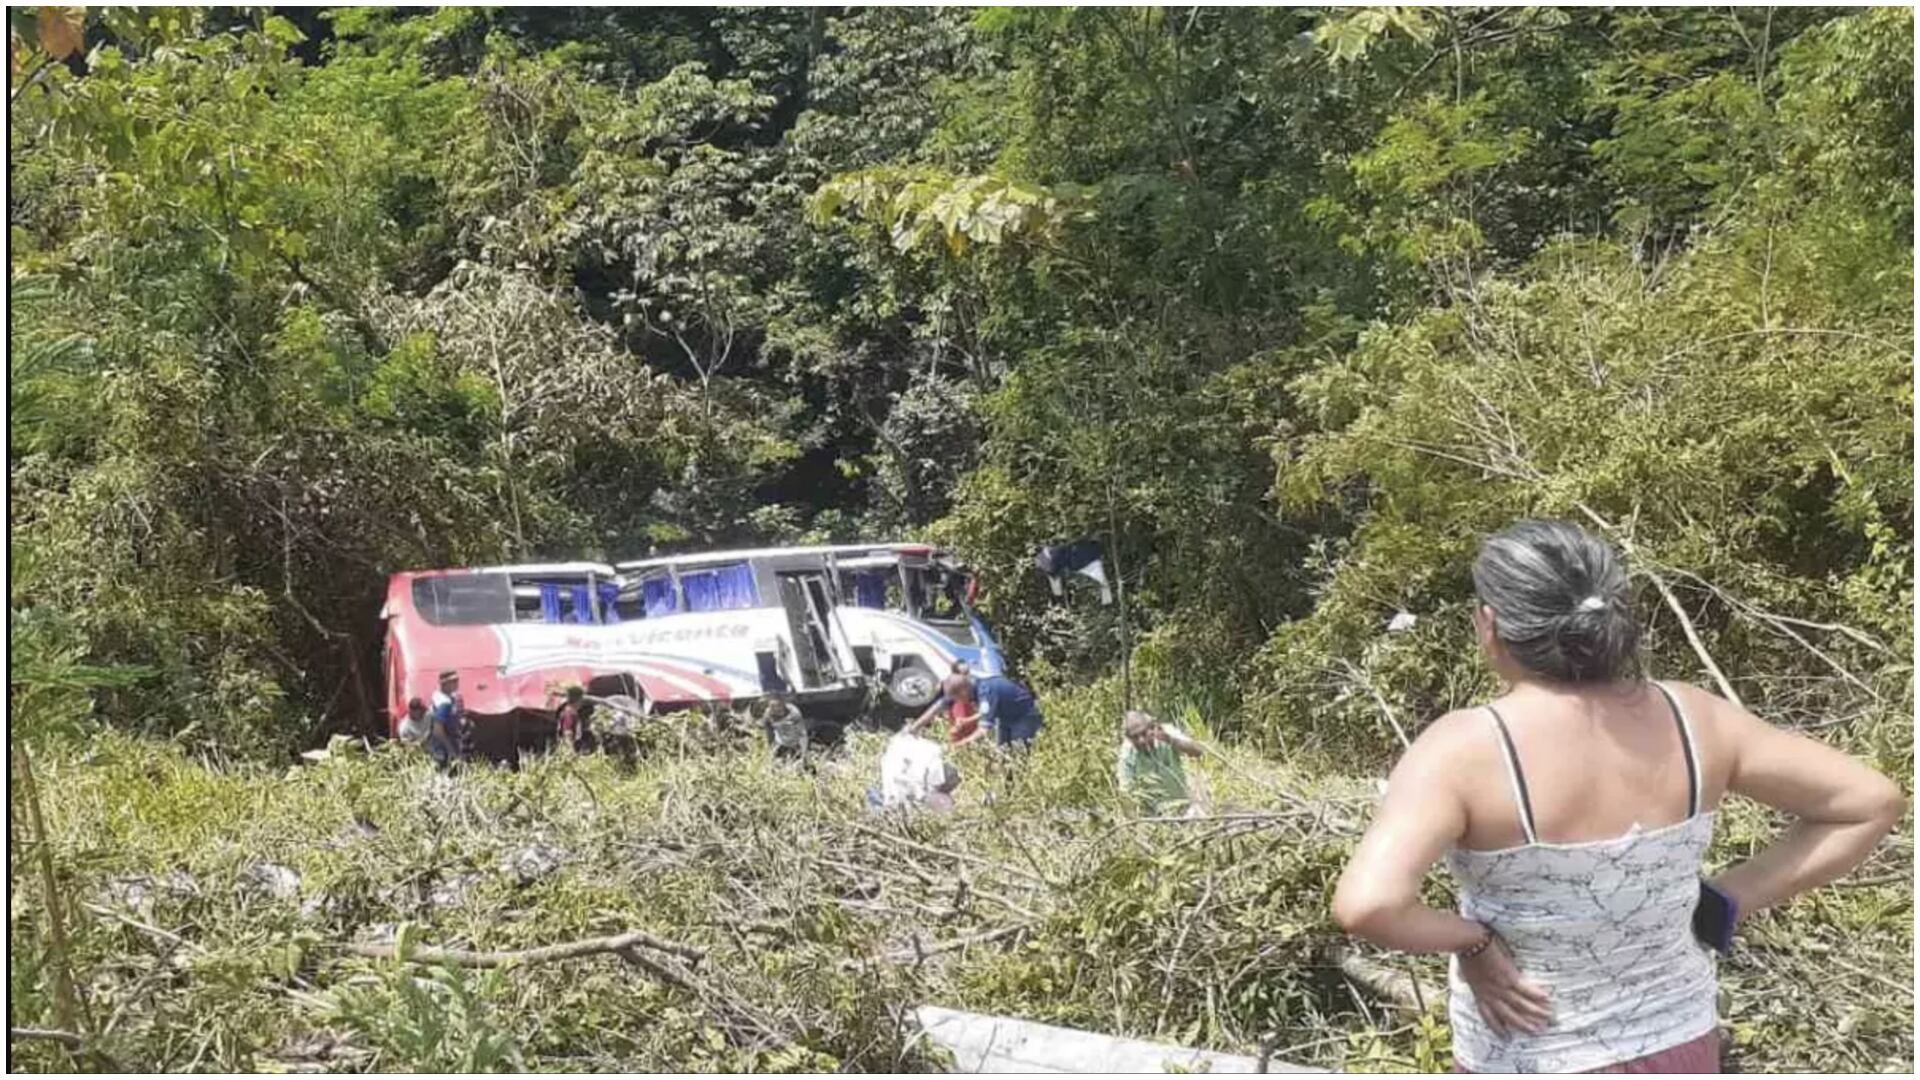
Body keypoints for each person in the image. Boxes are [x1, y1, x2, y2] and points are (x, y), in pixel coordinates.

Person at [1332, 520, 1903, 1074]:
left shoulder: (1464, 749)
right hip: (1679, 1041)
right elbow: (1869, 801)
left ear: (1490, 623)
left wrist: (1474, 944)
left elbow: (1368, 907)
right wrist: (1726, 899)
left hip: (1531, 1055)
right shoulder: (1694, 717)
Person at [912, 671, 1044, 749]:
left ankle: (1018, 790)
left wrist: (957, 745)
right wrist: (914, 728)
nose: (956, 703)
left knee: (1017, 755)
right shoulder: (968, 687)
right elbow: (939, 706)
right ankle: (1006, 789)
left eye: (957, 699)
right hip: (1005, 716)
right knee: (1003, 754)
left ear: (963, 692)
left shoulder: (986, 692)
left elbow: (983, 730)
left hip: (1024, 716)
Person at [1117, 709, 1205, 815]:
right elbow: (1126, 793)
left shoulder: (1167, 732)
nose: (1141, 740)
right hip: (1154, 817)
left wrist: (1171, 740)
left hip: (1183, 806)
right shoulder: (1127, 754)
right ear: (1129, 738)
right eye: (1135, 737)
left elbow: (1198, 751)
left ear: (1152, 727)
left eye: (1144, 734)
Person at [429, 670, 468, 771]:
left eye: (457, 680)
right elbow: (438, 730)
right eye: (454, 681)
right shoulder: (444, 703)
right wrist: (451, 750)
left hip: (447, 745)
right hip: (444, 750)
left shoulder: (440, 695)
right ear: (444, 683)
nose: (457, 683)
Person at [759, 692, 808, 761]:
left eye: (778, 706)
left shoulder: (794, 713)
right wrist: (772, 752)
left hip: (795, 742)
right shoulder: (768, 715)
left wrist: (804, 753)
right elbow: (769, 736)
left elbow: (802, 734)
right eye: (773, 706)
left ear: (783, 704)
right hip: (781, 743)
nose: (776, 709)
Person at [556, 686, 595, 752]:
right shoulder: (569, 713)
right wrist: (571, 751)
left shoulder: (572, 712)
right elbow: (567, 732)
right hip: (569, 749)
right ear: (578, 699)